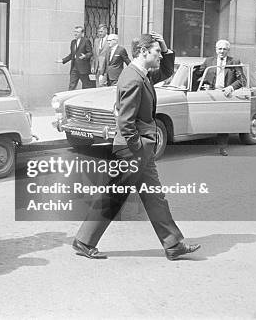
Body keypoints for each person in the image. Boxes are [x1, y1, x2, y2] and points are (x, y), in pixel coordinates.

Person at [72, 32, 201, 261]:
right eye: (157, 52)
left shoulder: (141, 75)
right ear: (143, 52)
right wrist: (139, 147)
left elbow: (166, 71)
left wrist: (164, 45)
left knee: (154, 196)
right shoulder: (133, 78)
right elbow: (125, 121)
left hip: (138, 149)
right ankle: (84, 241)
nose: (160, 55)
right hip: (132, 150)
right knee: (115, 195)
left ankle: (173, 244)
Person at [193, 39, 246, 156]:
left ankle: (222, 148)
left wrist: (231, 88)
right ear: (216, 50)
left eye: (224, 49)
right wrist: (201, 82)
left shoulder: (234, 62)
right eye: (219, 49)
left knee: (223, 121)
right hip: (210, 94)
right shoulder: (208, 61)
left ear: (228, 50)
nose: (221, 51)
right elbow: (198, 74)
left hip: (225, 95)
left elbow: (242, 80)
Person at [62, 25, 94, 90]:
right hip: (74, 67)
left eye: (77, 32)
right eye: (75, 31)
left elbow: (90, 53)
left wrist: (85, 56)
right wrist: (63, 60)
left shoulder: (86, 41)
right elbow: (72, 55)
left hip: (83, 68)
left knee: (86, 86)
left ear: (82, 33)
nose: (75, 33)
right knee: (72, 86)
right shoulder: (73, 42)